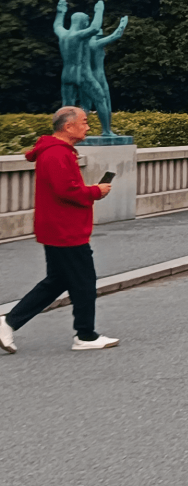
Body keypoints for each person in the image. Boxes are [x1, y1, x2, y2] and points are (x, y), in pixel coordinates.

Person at [0, 106, 118, 353]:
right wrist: (96, 191)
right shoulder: (57, 154)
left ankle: (8, 324)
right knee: (84, 281)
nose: (87, 126)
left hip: (57, 225)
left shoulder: (53, 151)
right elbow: (66, 190)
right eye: (84, 122)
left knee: (57, 281)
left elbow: (64, 187)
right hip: (65, 227)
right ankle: (85, 335)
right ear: (68, 126)